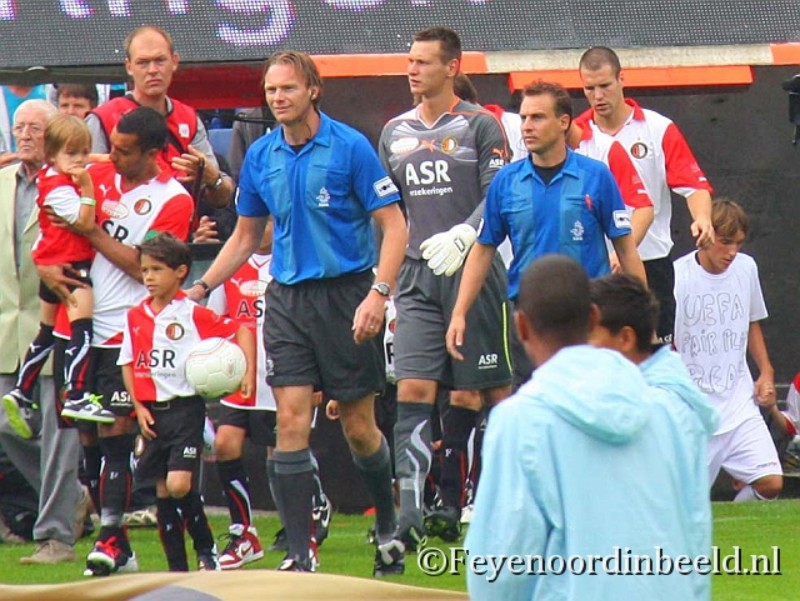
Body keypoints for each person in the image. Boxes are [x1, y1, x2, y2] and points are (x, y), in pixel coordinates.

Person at [187, 50, 407, 575]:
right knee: (289, 421)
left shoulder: (351, 147)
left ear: (312, 90)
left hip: (347, 295)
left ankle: (387, 527)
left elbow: (395, 226)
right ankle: (301, 553)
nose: (277, 98)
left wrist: (378, 294)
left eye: (287, 88)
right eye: (270, 91)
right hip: (286, 299)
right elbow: (245, 236)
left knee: (358, 427)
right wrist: (203, 285)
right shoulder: (262, 156)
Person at [467, 255, 713, 601]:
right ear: (593, 316)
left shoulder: (519, 421)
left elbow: (500, 568)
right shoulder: (668, 412)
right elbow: (695, 532)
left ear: (521, 326)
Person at [40, 106, 195, 575]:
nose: (112, 156)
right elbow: (51, 206)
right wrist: (45, 268)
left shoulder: (173, 199)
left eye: (125, 151)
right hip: (77, 322)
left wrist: (90, 229)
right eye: (113, 146)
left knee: (115, 433)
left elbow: (142, 264)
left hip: (126, 332)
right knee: (84, 435)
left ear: (153, 152)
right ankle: (120, 544)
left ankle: (109, 536)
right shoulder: (100, 169)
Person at [378, 26, 513, 551]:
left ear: (452, 67)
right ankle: (409, 514)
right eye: (409, 61)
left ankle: (496, 500)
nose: (412, 70)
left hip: (472, 268)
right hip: (416, 274)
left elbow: (496, 193)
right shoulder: (393, 131)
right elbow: (389, 213)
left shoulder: (482, 126)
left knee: (488, 391)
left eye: (423, 62)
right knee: (412, 389)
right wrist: (384, 279)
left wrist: (465, 234)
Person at [447, 81, 645, 385]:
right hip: (530, 318)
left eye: (537, 117)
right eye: (524, 117)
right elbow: (484, 248)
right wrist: (459, 311)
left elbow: (626, 250)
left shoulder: (596, 176)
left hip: (588, 316)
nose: (527, 126)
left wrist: (644, 318)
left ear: (563, 122)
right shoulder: (506, 181)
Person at [118, 233, 255, 572]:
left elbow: (242, 330)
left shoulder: (191, 313)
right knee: (164, 493)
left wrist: (247, 372)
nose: (148, 277)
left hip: (185, 411)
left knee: (180, 485)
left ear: (180, 272)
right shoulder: (135, 316)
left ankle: (206, 549)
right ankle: (177, 570)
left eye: (156, 270)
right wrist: (138, 405)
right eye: (145, 270)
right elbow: (128, 362)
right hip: (152, 413)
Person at [206, 221, 331, 570]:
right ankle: (244, 533)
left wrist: (321, 377)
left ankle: (303, 532)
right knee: (225, 444)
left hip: (286, 375)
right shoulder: (230, 264)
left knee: (282, 459)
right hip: (240, 378)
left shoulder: (295, 262)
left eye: (271, 221)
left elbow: (315, 321)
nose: (263, 227)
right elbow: (217, 318)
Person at [0, 99, 90, 565]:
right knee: (6, 424)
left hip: (57, 317)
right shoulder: (1, 181)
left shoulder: (73, 182)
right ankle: (73, 496)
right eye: (20, 127)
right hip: (5, 325)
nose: (26, 135)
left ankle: (55, 536)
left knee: (60, 430)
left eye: (36, 127)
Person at [575, 46, 714, 343]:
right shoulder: (575, 135)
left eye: (605, 86)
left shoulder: (658, 128)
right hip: (597, 266)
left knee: (655, 357)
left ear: (621, 79)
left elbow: (694, 184)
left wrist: (703, 219)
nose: (598, 96)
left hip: (652, 262)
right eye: (589, 88)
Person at [2, 114, 108, 440]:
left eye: (84, 152)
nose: (80, 161)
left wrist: (103, 157)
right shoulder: (60, 189)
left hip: (50, 261)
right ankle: (77, 393)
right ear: (52, 155)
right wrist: (88, 188)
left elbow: (95, 158)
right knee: (82, 329)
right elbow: (85, 222)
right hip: (70, 267)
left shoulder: (50, 173)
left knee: (47, 331)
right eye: (72, 154)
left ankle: (22, 389)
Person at [673, 199, 783, 501]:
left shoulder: (746, 269)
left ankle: (739, 532)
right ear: (705, 236)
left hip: (739, 405)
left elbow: (751, 322)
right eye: (725, 242)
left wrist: (766, 371)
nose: (732, 252)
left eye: (738, 243)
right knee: (685, 502)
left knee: (771, 483)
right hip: (694, 412)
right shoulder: (677, 276)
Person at [85, 25, 233, 209]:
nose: (153, 70)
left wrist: (214, 179)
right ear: (129, 67)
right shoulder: (103, 118)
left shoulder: (188, 118)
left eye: (160, 60)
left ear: (174, 61)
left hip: (180, 232)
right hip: (118, 229)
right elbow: (85, 189)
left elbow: (222, 196)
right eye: (143, 62)